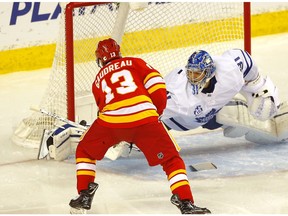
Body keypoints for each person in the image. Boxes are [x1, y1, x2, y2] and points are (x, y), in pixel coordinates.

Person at [68, 38, 211, 214]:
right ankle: (185, 202)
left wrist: (115, 135)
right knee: (171, 159)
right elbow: (158, 89)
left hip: (111, 121)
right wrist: (153, 116)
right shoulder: (136, 63)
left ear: (100, 59)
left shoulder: (98, 78)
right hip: (145, 119)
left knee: (84, 150)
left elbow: (102, 109)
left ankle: (84, 195)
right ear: (119, 52)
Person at [160, 49, 286, 144]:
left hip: (210, 115)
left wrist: (258, 87)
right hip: (173, 121)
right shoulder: (176, 93)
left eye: (197, 73)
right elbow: (150, 108)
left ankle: (273, 116)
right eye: (190, 72)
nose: (192, 77)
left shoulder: (229, 70)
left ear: (209, 72)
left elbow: (245, 60)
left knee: (226, 118)